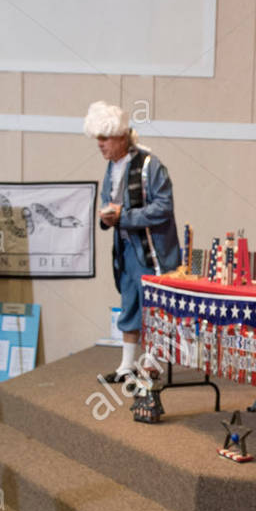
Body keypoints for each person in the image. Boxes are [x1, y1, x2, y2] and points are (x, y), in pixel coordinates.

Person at [84, 100, 181, 383]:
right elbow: (107, 200)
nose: (100, 144)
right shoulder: (112, 168)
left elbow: (164, 207)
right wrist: (108, 216)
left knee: (153, 307)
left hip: (152, 252)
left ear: (121, 137)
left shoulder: (151, 165)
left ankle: (150, 365)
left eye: (104, 138)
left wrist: (123, 216)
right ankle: (127, 366)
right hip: (125, 249)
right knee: (129, 304)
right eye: (98, 139)